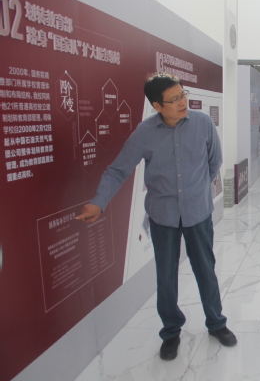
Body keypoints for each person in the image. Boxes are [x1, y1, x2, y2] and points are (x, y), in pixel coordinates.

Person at [76, 72, 236, 361]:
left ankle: (216, 323)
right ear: (157, 106)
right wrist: (99, 202)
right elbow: (118, 170)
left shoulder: (202, 123)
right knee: (166, 276)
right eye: (174, 100)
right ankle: (171, 332)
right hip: (163, 217)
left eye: (183, 95)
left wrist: (197, 189)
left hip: (198, 213)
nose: (182, 102)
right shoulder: (145, 133)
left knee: (205, 270)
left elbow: (215, 161)